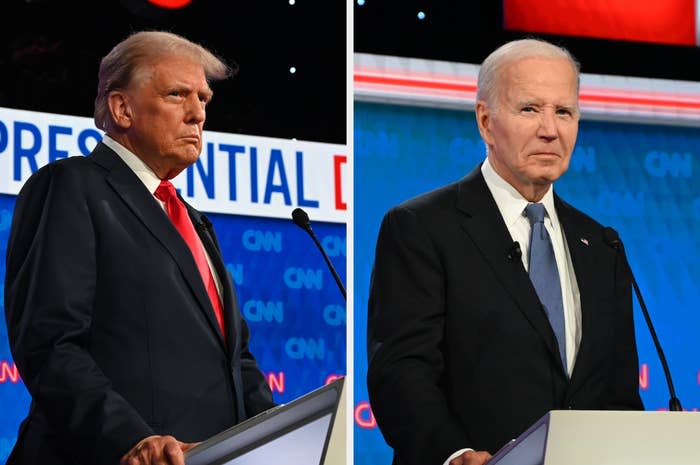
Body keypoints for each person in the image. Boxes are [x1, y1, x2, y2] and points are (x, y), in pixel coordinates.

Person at [366, 38, 644, 465]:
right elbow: (402, 370)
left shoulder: (601, 244)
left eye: (564, 112)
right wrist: (453, 453)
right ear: (485, 121)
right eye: (530, 109)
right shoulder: (421, 227)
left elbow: (619, 393)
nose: (550, 129)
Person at [4, 31, 275, 465]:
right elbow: (51, 343)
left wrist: (278, 430)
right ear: (121, 108)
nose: (197, 114)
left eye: (204, 99)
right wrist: (129, 438)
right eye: (177, 95)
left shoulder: (195, 221)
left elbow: (235, 359)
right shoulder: (72, 186)